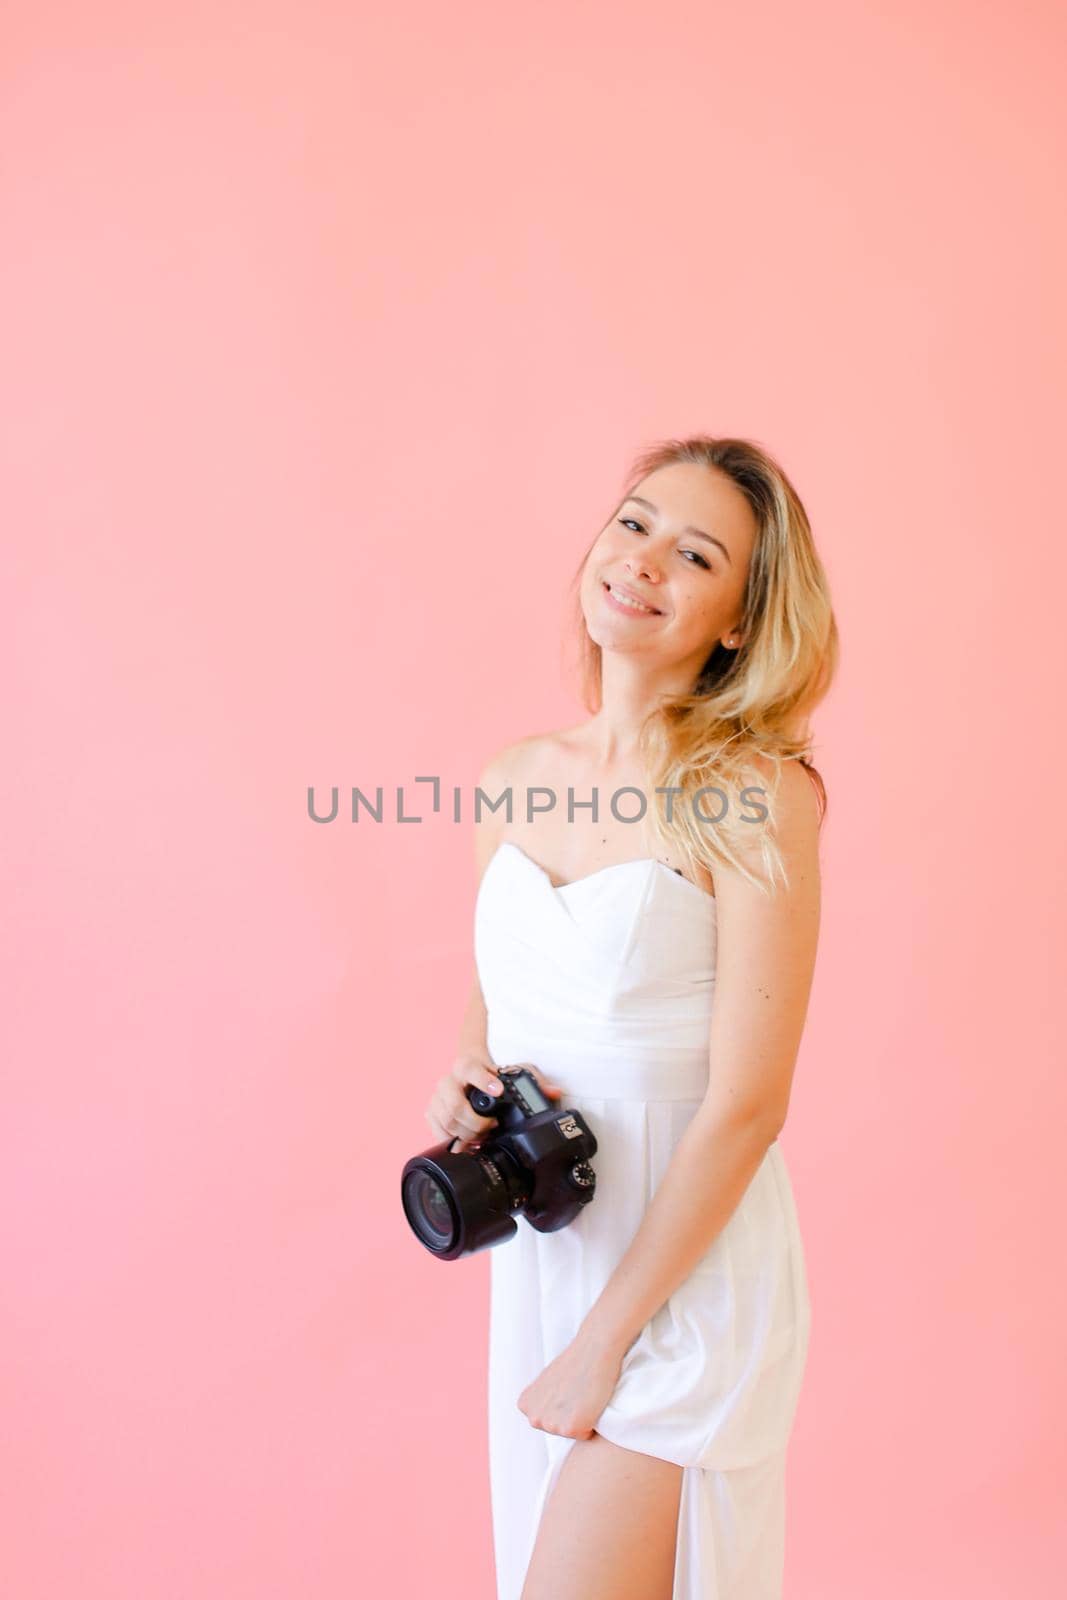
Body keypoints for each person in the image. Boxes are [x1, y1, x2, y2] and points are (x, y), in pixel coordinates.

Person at [424, 435, 838, 1600]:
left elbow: (750, 1104)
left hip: (682, 1277)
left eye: (694, 553)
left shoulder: (756, 796)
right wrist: (463, 1063)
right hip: (550, 1258)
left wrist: (605, 1341)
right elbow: (500, 980)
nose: (642, 559)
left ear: (740, 622)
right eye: (633, 523)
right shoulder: (515, 776)